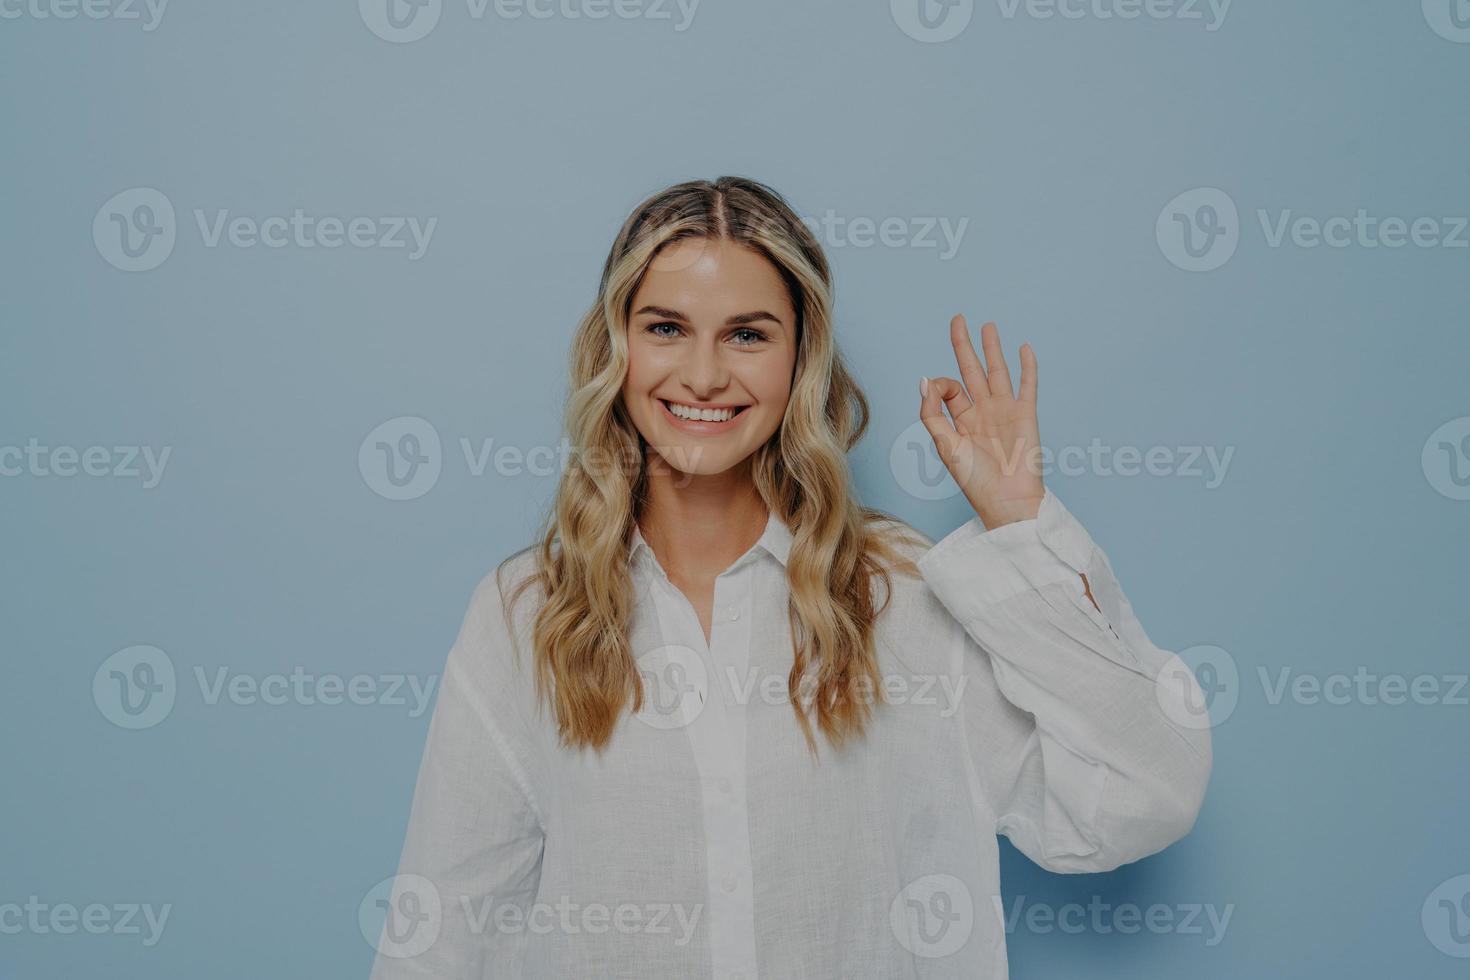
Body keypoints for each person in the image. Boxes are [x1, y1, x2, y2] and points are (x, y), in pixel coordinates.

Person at [367, 176, 1212, 978]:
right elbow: (444, 936)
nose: (703, 375)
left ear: (799, 358)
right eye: (665, 328)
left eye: (747, 333)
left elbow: (1144, 795)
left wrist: (1022, 530)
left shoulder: (905, 597)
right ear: (615, 348)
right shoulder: (524, 616)